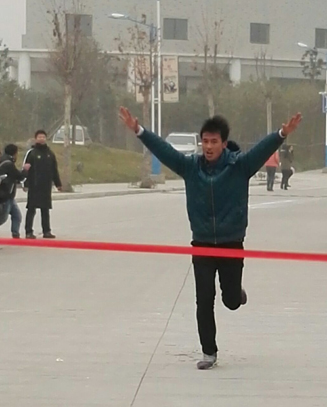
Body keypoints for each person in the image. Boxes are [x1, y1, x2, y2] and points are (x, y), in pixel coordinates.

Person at [119, 106, 302, 370]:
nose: (208, 146)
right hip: (202, 244)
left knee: (230, 302)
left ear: (224, 143)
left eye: (214, 141)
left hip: (231, 243)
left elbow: (262, 150)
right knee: (204, 299)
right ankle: (209, 352)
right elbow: (164, 151)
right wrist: (139, 130)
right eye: (205, 141)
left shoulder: (240, 166)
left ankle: (236, 293)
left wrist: (282, 134)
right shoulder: (190, 167)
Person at [23, 131, 62, 239]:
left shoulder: (50, 153)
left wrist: (58, 183)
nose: (41, 139)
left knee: (45, 209)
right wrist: (25, 183)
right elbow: (26, 169)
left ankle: (47, 231)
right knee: (31, 209)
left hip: (46, 186)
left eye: (43, 137)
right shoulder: (31, 153)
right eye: (39, 137)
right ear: (35, 138)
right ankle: (28, 231)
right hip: (34, 185)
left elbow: (54, 169)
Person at [0, 144, 30, 238]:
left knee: (17, 215)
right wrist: (25, 170)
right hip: (6, 194)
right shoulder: (8, 164)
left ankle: (15, 233)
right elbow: (19, 176)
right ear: (15, 153)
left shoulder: (4, 161)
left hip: (9, 194)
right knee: (2, 218)